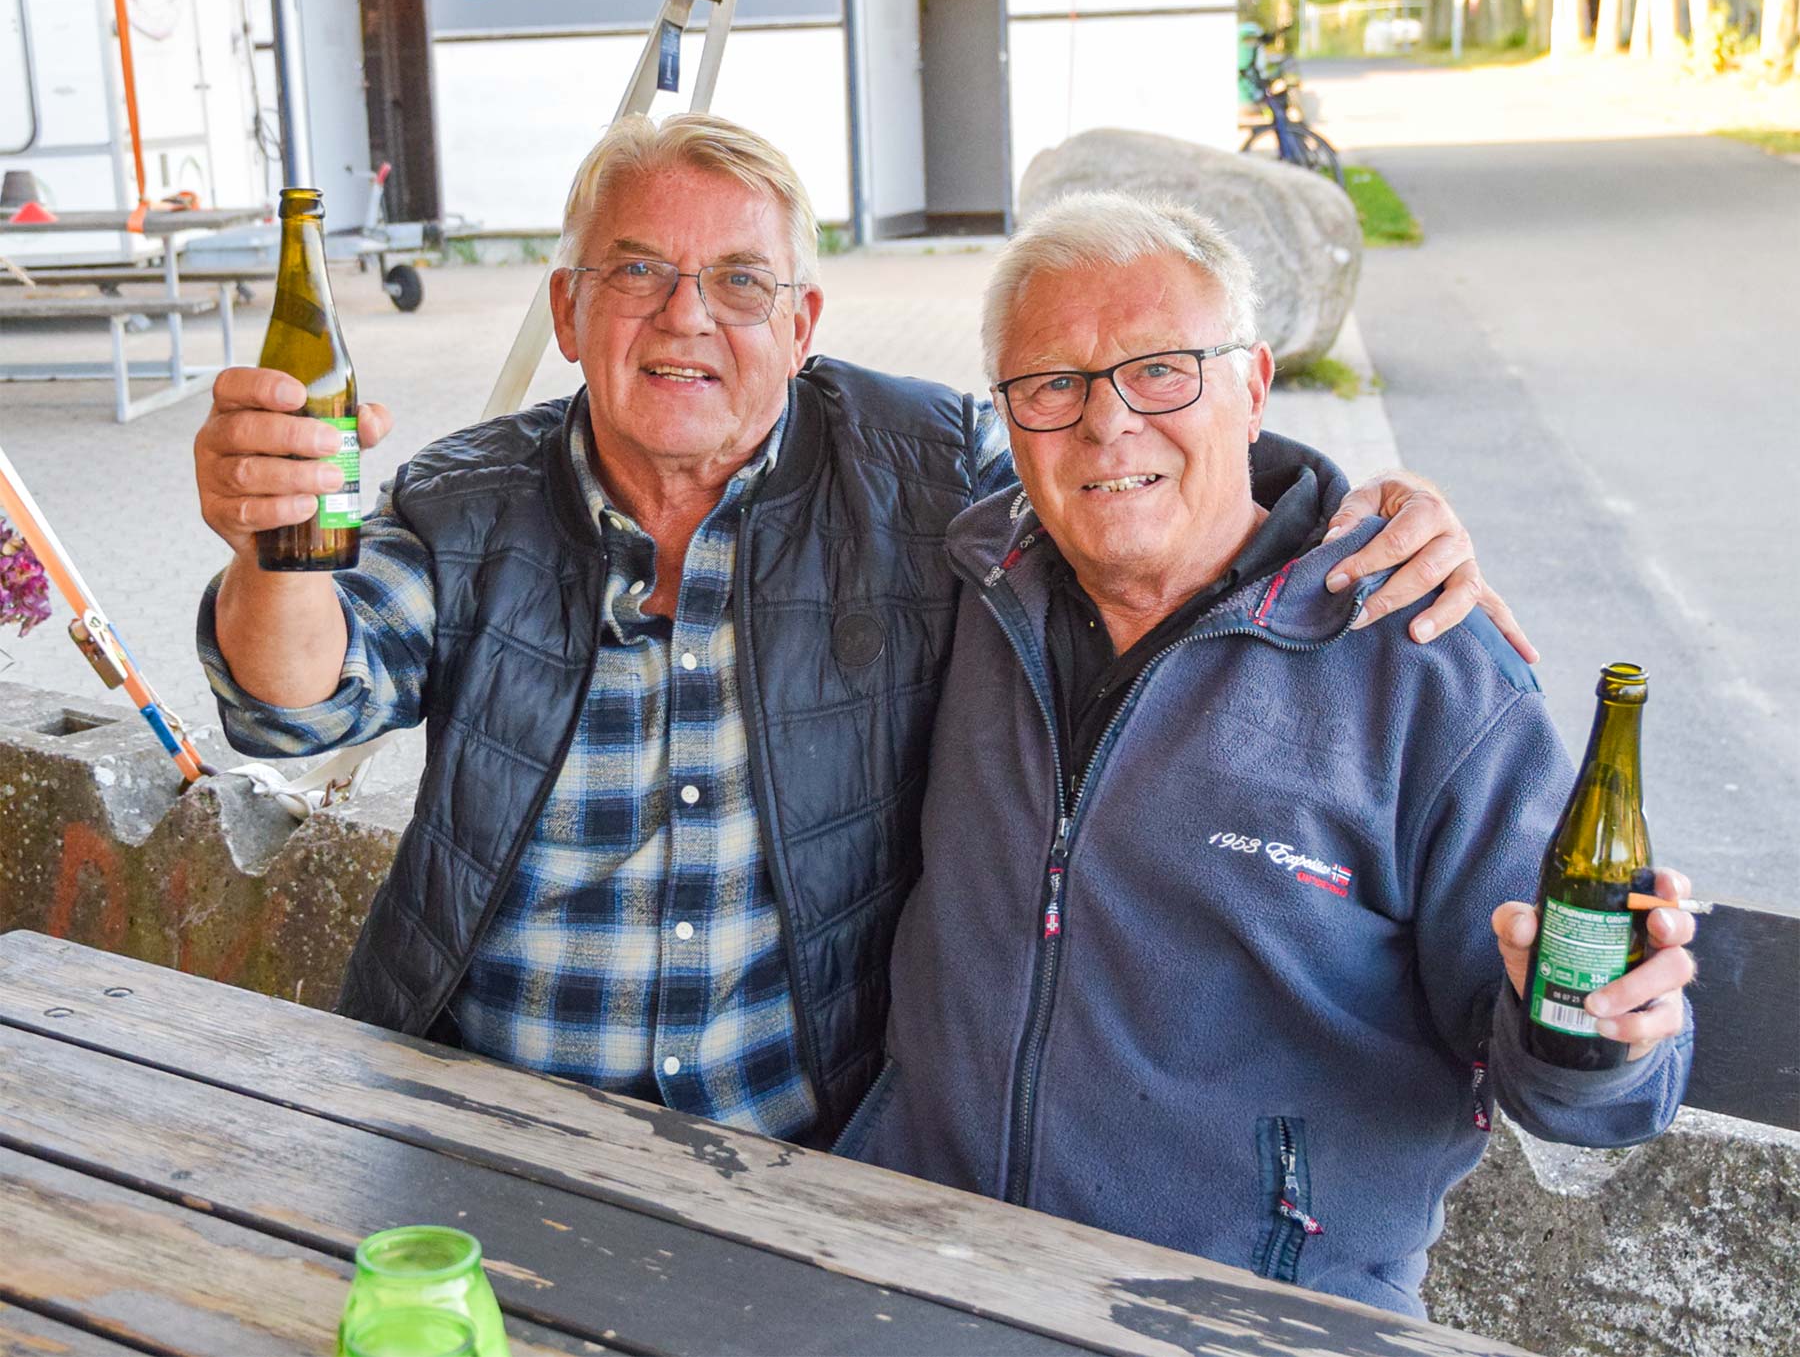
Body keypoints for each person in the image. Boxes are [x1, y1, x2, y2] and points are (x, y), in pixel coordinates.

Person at [193, 114, 1529, 1149]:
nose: (686, 317)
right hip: (480, 1122)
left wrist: (1358, 524)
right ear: (567, 312)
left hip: (802, 1150)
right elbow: (298, 700)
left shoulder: (926, 468)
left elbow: (1133, 482)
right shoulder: (469, 495)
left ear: (805, 321)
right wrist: (271, 547)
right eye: (638, 272)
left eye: (737, 279)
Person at [835, 192, 1695, 1313]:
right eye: (1052, 384)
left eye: (1161, 369)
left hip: (1254, 1311)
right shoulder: (967, 584)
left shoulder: (1423, 657)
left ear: (1253, 387)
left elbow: (1587, 1077)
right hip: (924, 1259)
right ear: (1008, 413)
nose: (1107, 426)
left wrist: (1603, 1035)